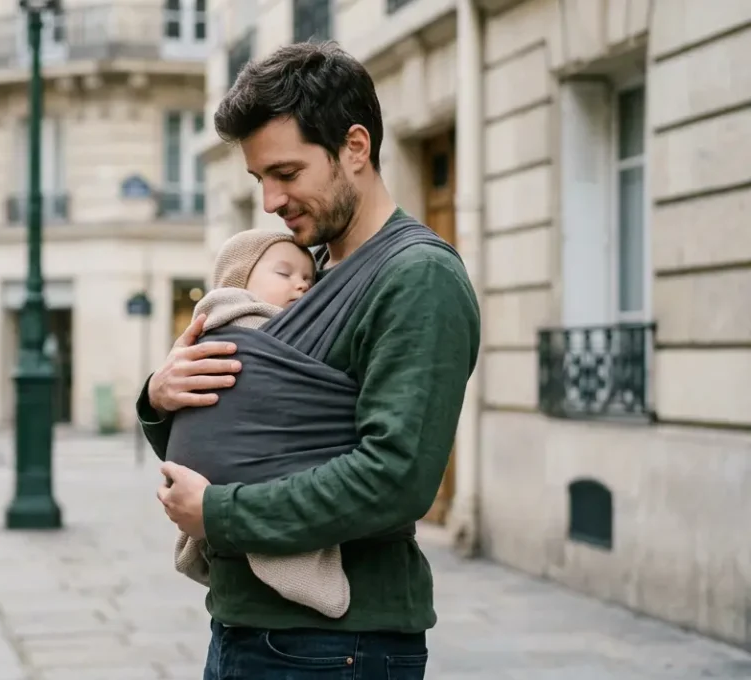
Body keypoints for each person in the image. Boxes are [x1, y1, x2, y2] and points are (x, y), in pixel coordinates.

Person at [144, 42, 480, 678]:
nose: (270, 200)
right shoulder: (310, 273)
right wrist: (161, 397)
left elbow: (396, 478)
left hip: (335, 647)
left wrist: (220, 514)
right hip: (254, 628)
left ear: (355, 148)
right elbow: (255, 423)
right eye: (259, 180)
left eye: (288, 174)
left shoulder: (419, 278)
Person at [166, 229, 354, 620]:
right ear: (239, 281)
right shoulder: (230, 324)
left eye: (308, 277)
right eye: (284, 274)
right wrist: (154, 394)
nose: (302, 283)